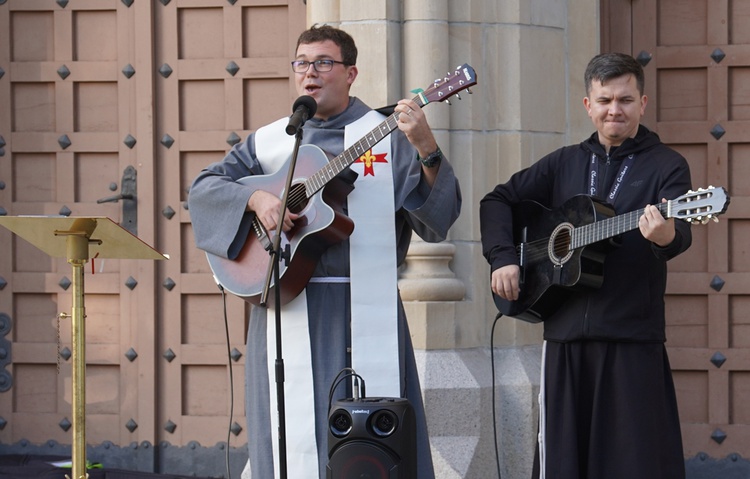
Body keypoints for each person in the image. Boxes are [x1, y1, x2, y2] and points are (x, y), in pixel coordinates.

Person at [188, 24, 461, 478]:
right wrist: (257, 200)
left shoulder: (387, 135)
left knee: (371, 445)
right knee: (289, 437)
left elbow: (437, 220)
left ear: (351, 73)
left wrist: (427, 149)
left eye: (323, 63)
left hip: (361, 311)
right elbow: (204, 189)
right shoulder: (273, 140)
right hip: (284, 304)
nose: (309, 73)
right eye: (302, 63)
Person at [480, 52, 691, 478]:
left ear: (643, 103)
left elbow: (680, 233)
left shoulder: (667, 166)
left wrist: (665, 235)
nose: (616, 110)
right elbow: (497, 199)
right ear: (588, 105)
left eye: (626, 100)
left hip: (631, 339)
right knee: (563, 465)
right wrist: (503, 258)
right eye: (606, 100)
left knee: (634, 463)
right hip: (564, 338)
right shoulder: (564, 162)